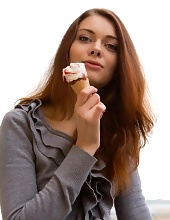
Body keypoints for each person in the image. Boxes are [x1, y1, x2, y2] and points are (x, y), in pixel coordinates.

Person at [0, 8, 155, 220]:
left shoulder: (120, 130)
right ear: (67, 50)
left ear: (120, 66)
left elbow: (136, 213)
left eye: (111, 46)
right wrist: (85, 147)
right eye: (85, 38)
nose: (96, 49)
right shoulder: (20, 124)